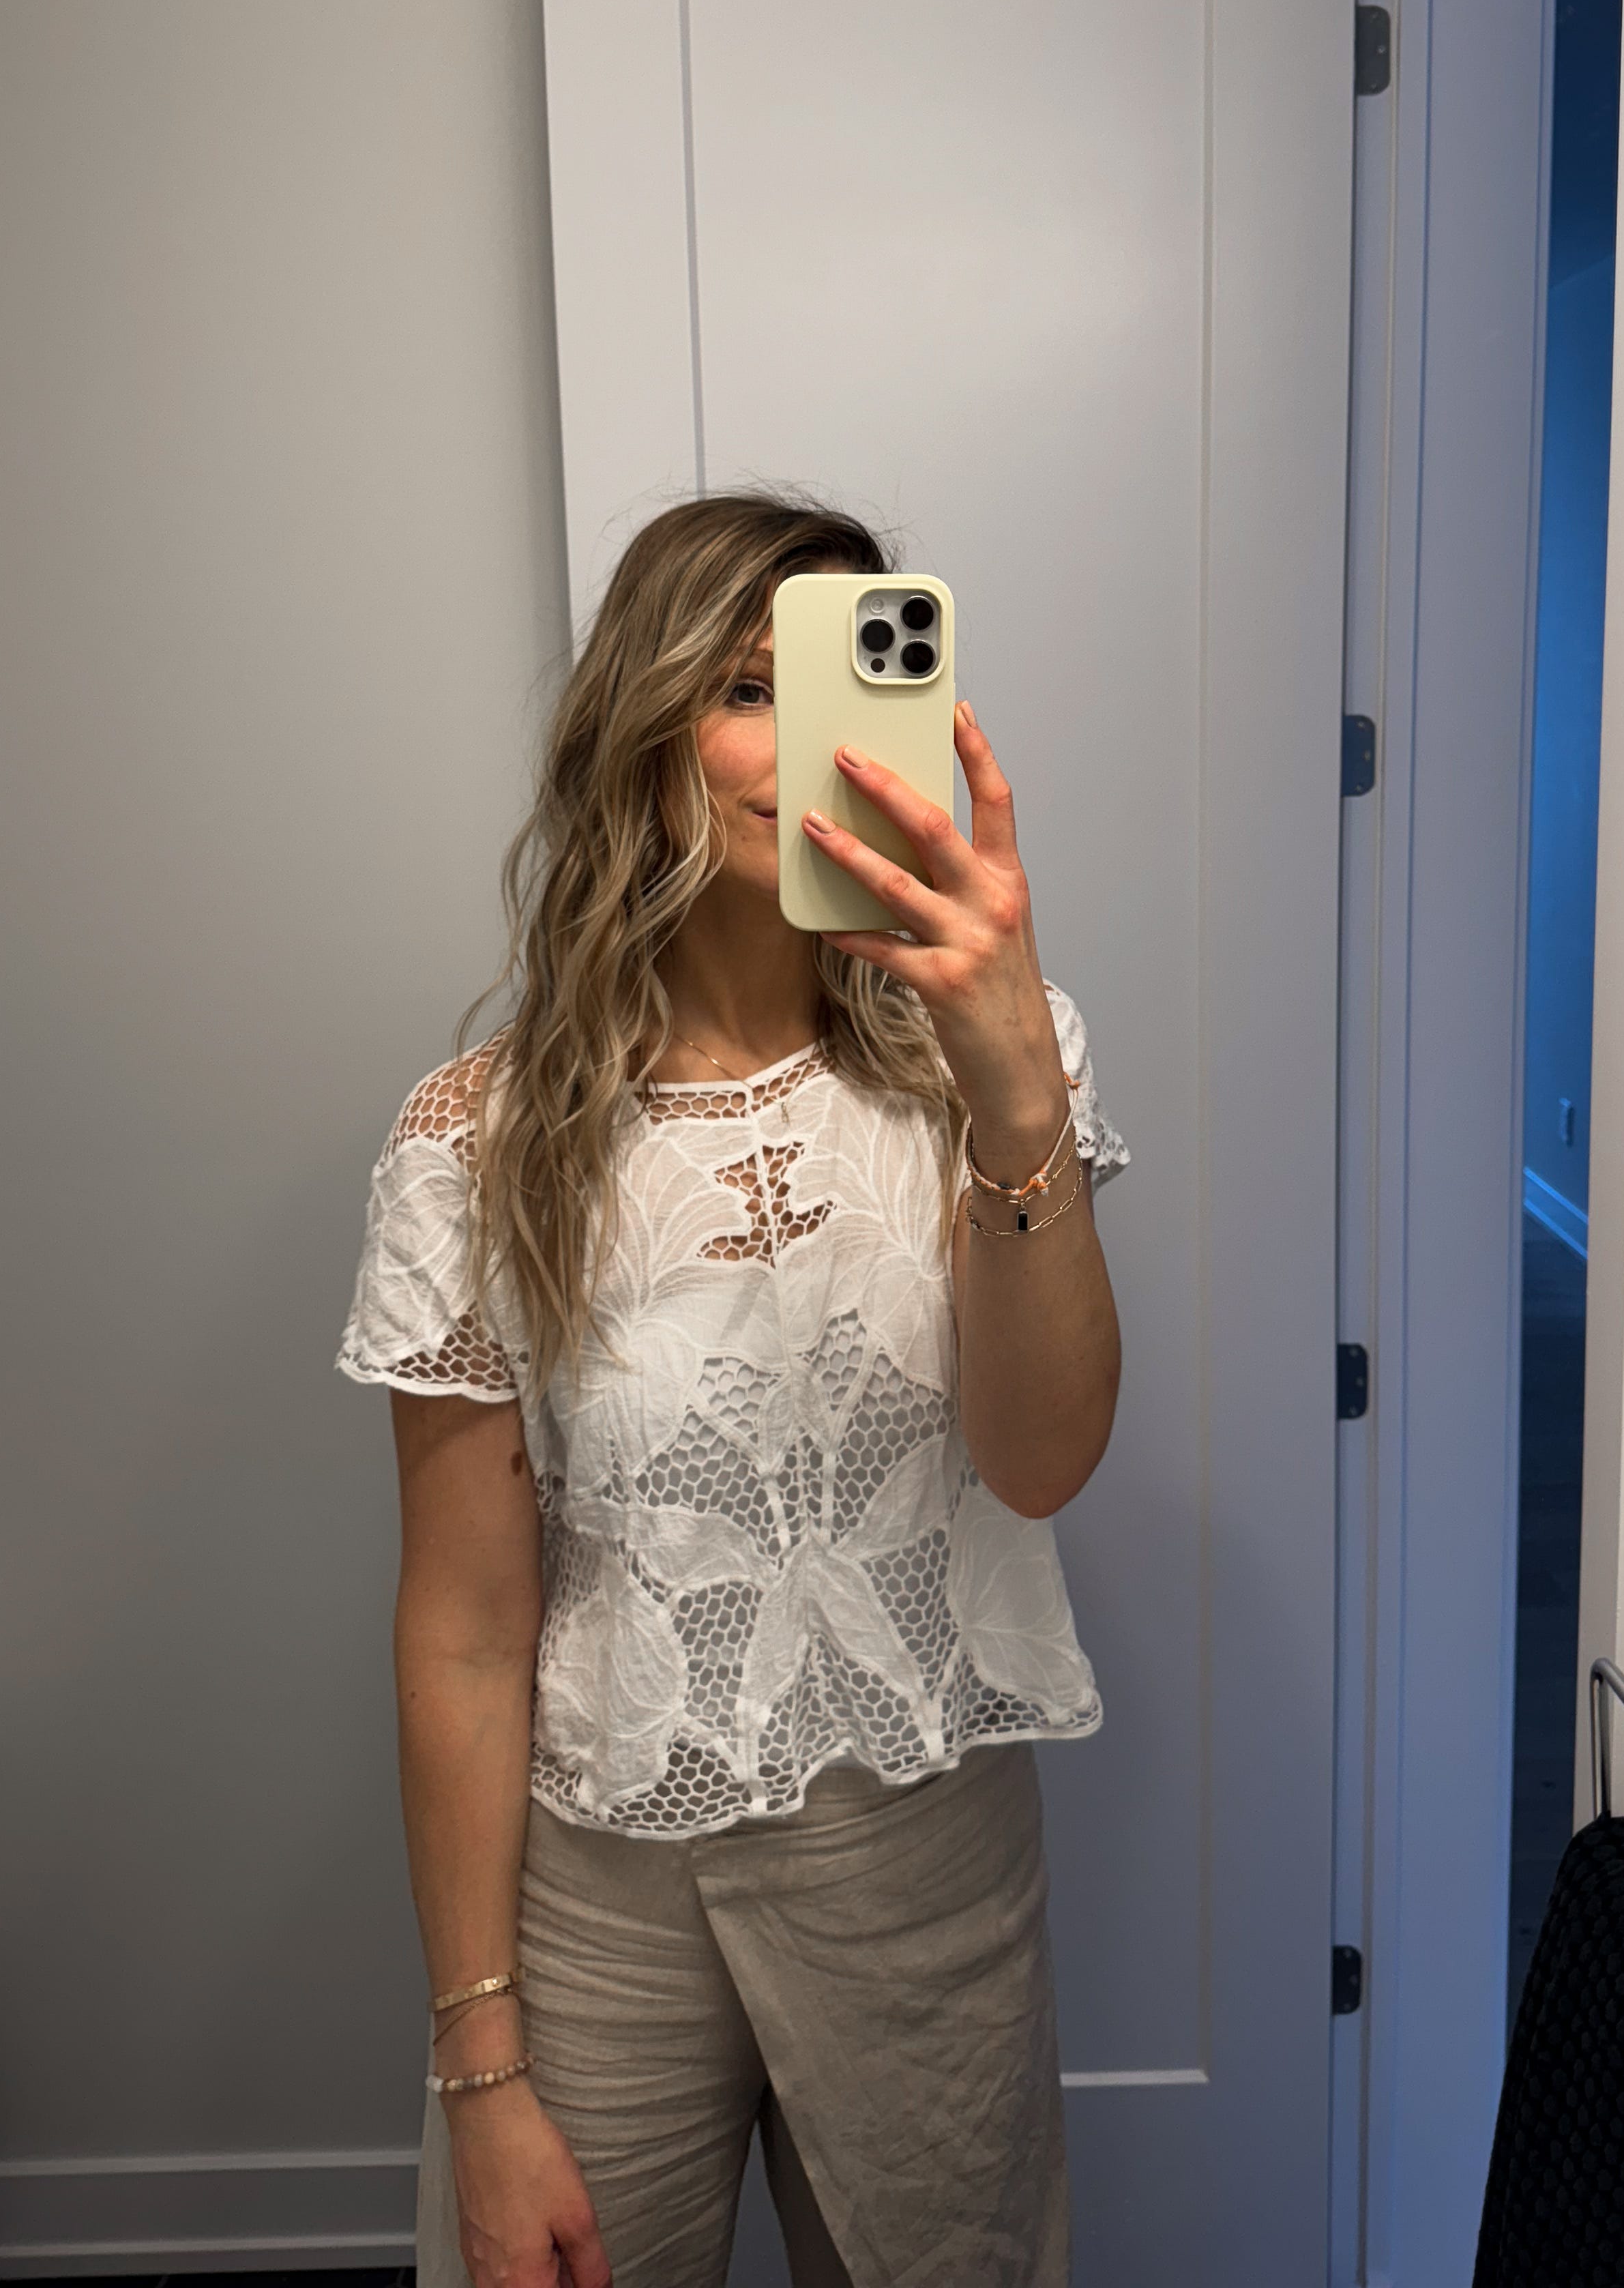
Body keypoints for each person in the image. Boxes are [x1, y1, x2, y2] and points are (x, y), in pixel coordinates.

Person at [336, 492, 1128, 2288]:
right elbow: (465, 1631)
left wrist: (1016, 1095)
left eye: (847, 683)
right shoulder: (479, 1145)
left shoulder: (999, 1059)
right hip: (600, 1891)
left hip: (924, 1860)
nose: (809, 741)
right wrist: (482, 2073)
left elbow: (1044, 1459)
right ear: (646, 730)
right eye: (751, 688)